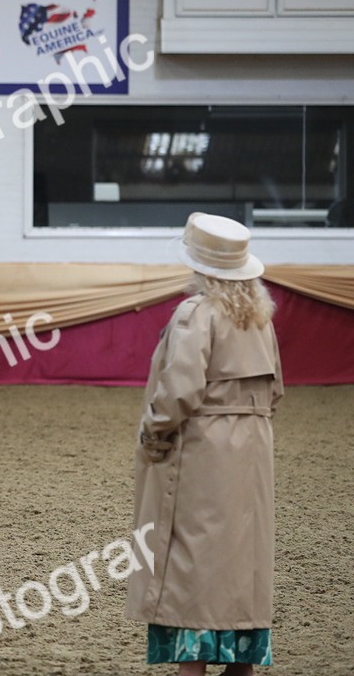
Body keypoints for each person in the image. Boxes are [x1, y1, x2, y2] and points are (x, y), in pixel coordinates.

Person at [127, 213, 283, 676]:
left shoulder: (195, 314)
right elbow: (275, 392)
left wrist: (153, 434)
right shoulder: (262, 319)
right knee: (241, 571)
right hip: (252, 451)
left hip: (200, 451)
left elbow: (179, 391)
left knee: (189, 571)